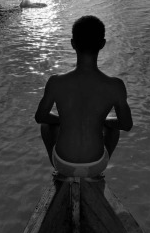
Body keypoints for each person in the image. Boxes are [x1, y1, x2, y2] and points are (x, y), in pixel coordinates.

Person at [35, 15, 133, 178]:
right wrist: (102, 122)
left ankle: (57, 172)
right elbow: (126, 125)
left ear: (73, 44)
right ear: (102, 44)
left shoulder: (56, 82)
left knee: (46, 126)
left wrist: (64, 120)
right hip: (95, 165)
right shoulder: (115, 85)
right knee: (114, 130)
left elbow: (40, 117)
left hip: (63, 164)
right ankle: (98, 174)